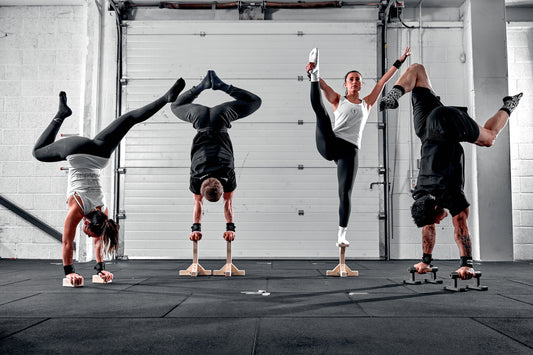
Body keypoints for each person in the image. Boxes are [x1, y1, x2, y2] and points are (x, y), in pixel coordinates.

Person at [33, 78, 185, 286]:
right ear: (86, 223)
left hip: (101, 156)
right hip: (76, 151)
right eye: (86, 231)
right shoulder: (77, 210)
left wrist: (101, 269)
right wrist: (69, 272)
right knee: (38, 153)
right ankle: (60, 115)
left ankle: (165, 99)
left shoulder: (103, 213)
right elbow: (68, 242)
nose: (86, 235)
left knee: (129, 118)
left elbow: (98, 241)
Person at [379, 63, 522, 279]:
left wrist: (467, 264)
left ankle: (509, 106)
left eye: (437, 218)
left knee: (489, 138)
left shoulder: (450, 192)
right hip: (426, 125)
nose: (438, 221)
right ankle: (395, 94)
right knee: (418, 70)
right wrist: (424, 262)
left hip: (448, 122)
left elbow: (460, 227)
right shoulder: (420, 194)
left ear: (436, 206)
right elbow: (427, 225)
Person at [306, 46, 411, 247]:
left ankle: (341, 234)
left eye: (358, 79)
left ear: (361, 84)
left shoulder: (367, 103)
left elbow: (382, 81)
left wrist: (400, 61)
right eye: (351, 79)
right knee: (322, 114)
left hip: (349, 151)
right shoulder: (338, 99)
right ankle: (313, 74)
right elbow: (324, 87)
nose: (354, 81)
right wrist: (312, 72)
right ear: (346, 84)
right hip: (330, 143)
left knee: (344, 193)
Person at [170, 71, 261, 243]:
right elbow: (198, 204)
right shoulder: (196, 179)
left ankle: (220, 86)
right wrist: (196, 228)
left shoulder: (228, 176)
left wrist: (230, 228)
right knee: (175, 106)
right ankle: (202, 86)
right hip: (201, 120)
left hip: (221, 119)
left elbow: (228, 204)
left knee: (254, 102)